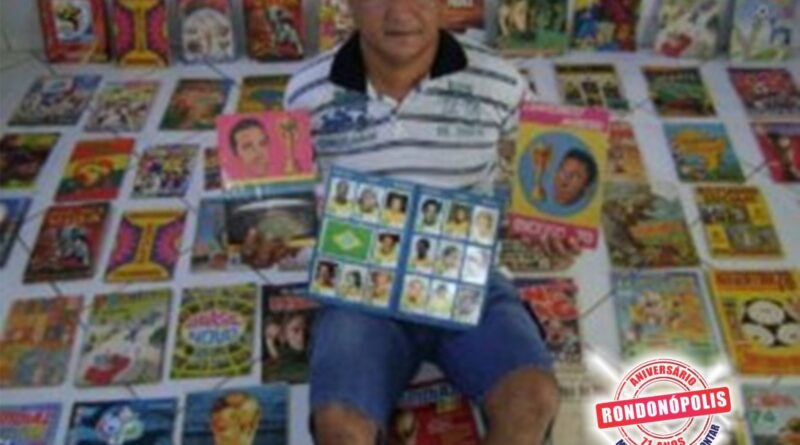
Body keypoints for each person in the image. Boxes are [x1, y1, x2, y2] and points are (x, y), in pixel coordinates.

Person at [284, 1, 575, 442]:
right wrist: (275, 235)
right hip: (360, 283)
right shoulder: (305, 92)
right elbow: (287, 199)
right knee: (338, 428)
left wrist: (557, 223)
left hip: (469, 277)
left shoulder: (500, 82)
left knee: (533, 399)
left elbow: (549, 156)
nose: (401, 13)